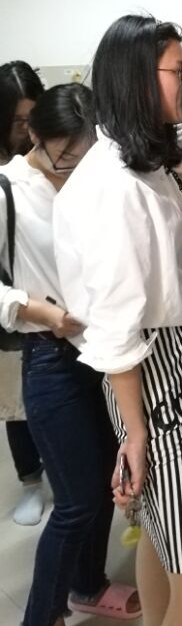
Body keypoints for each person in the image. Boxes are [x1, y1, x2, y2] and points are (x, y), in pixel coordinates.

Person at [53, 15, 182, 626]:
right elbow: (118, 327)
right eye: (178, 70)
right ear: (138, 79)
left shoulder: (140, 163)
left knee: (160, 539)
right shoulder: (115, 186)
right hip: (151, 382)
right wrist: (136, 433)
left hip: (167, 364)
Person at [0, 84, 140, 626]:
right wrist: (37, 309)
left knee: (104, 480)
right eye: (64, 155)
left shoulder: (92, 178)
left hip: (99, 352)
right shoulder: (9, 189)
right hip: (50, 358)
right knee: (76, 500)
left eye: (83, 154)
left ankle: (88, 583)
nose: (74, 166)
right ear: (34, 133)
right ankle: (41, 620)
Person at [0, 60, 46, 526]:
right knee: (16, 399)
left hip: (53, 301)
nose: (27, 131)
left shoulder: (51, 156)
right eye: (18, 122)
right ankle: (30, 479)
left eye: (34, 119)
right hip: (12, 304)